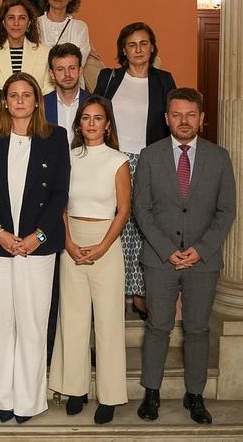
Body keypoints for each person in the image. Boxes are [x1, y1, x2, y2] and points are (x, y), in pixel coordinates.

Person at [0, 72, 70, 424]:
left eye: (26, 95)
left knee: (32, 323)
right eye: (13, 95)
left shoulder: (56, 137)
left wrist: (37, 236)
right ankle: (2, 396)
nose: (19, 101)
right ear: (5, 101)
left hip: (36, 248)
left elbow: (60, 192)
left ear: (36, 101)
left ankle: (28, 400)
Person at [134, 88, 236, 426]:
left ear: (202, 119)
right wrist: (167, 250)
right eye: (177, 114)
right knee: (157, 326)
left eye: (191, 115)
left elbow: (226, 211)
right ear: (166, 119)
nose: (183, 121)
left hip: (202, 261)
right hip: (159, 259)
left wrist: (201, 249)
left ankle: (195, 394)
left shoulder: (219, 158)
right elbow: (141, 210)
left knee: (196, 329)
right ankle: (151, 392)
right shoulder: (149, 156)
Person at [49, 95, 131, 425]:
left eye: (98, 118)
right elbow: (61, 206)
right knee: (73, 317)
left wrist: (102, 246)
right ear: (79, 124)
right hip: (71, 242)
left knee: (109, 321)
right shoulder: (67, 158)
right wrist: (68, 241)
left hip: (106, 242)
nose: (92, 123)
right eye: (86, 118)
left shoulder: (118, 160)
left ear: (108, 124)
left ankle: (109, 395)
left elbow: (124, 210)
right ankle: (75, 389)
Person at [93, 22, 177, 319]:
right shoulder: (109, 77)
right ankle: (113, 290)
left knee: (144, 228)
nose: (138, 50)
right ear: (123, 50)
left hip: (150, 161)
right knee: (114, 226)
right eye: (132, 44)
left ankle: (141, 294)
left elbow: (173, 122)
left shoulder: (165, 80)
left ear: (152, 47)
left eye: (144, 44)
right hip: (113, 159)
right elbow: (95, 114)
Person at [0, 0, 53, 93]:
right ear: (3, 23)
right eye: (11, 18)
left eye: (22, 18)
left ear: (29, 23)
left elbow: (48, 90)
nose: (16, 23)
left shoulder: (45, 52)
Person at [38, 0, 93, 80]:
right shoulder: (35, 24)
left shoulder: (80, 27)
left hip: (71, 85)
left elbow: (79, 62)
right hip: (41, 86)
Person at [44, 43, 91, 145]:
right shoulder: (40, 105)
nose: (67, 74)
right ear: (51, 74)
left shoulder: (96, 104)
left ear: (80, 71)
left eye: (72, 68)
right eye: (60, 69)